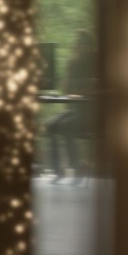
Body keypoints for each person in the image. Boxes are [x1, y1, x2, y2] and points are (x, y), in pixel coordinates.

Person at [45, 29, 97, 184]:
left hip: (90, 112)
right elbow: (66, 90)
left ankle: (78, 166)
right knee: (50, 125)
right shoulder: (74, 63)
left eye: (80, 43)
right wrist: (70, 68)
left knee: (65, 126)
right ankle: (57, 169)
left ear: (88, 45)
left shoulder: (96, 61)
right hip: (75, 109)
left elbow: (95, 87)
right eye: (76, 43)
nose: (76, 46)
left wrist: (87, 89)